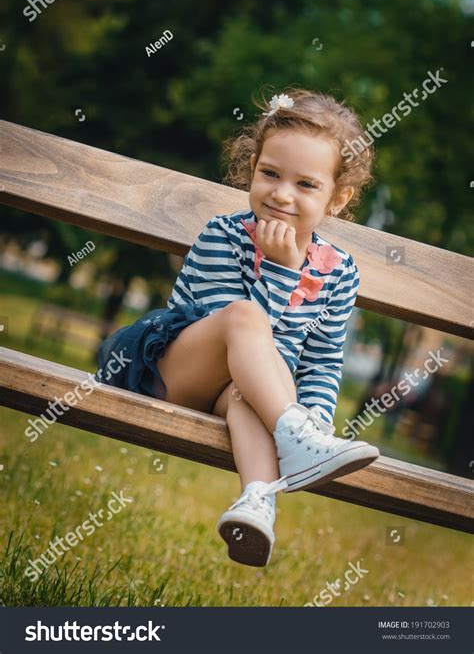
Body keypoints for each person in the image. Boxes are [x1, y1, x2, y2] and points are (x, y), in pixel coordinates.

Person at [95, 88, 380, 567]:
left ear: (338, 198)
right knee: (247, 319)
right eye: (270, 174)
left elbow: (322, 361)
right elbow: (230, 332)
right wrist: (284, 271)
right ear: (252, 171)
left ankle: (256, 502)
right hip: (177, 372)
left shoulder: (341, 271)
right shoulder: (222, 235)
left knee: (252, 392)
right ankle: (292, 433)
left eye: (306, 185)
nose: (282, 194)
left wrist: (314, 416)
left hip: (244, 394)